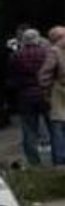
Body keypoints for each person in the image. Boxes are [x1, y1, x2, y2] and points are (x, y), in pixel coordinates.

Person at [8, 28, 52, 166]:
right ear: (38, 39)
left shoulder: (16, 56)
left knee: (28, 130)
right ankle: (59, 158)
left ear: (24, 41)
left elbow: (12, 77)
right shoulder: (46, 53)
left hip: (25, 95)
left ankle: (34, 162)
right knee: (54, 127)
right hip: (45, 94)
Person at [40, 26, 65, 165]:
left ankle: (61, 160)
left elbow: (45, 74)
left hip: (59, 92)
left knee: (58, 126)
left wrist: (46, 90)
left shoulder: (54, 51)